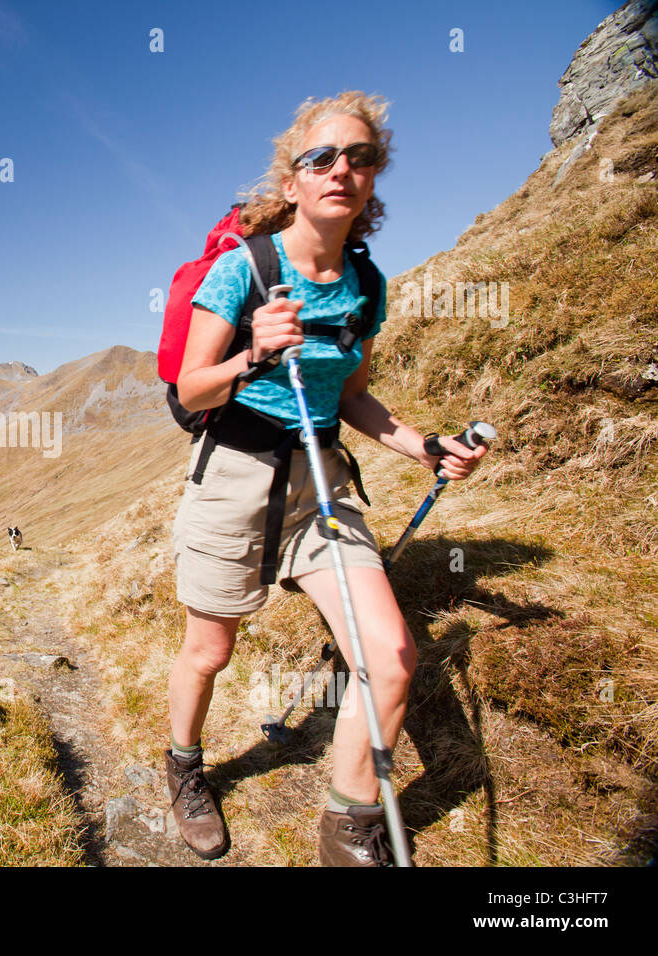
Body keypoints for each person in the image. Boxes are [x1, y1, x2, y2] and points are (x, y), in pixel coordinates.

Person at [164, 91, 485, 866]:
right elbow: (188, 389)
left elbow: (352, 396)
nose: (342, 169)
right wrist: (252, 356)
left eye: (361, 157)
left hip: (323, 487)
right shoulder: (244, 272)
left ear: (373, 180)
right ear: (294, 181)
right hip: (236, 479)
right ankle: (183, 769)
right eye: (322, 158)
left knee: (392, 658)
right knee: (209, 654)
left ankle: (348, 828)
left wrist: (424, 445)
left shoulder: (366, 286)